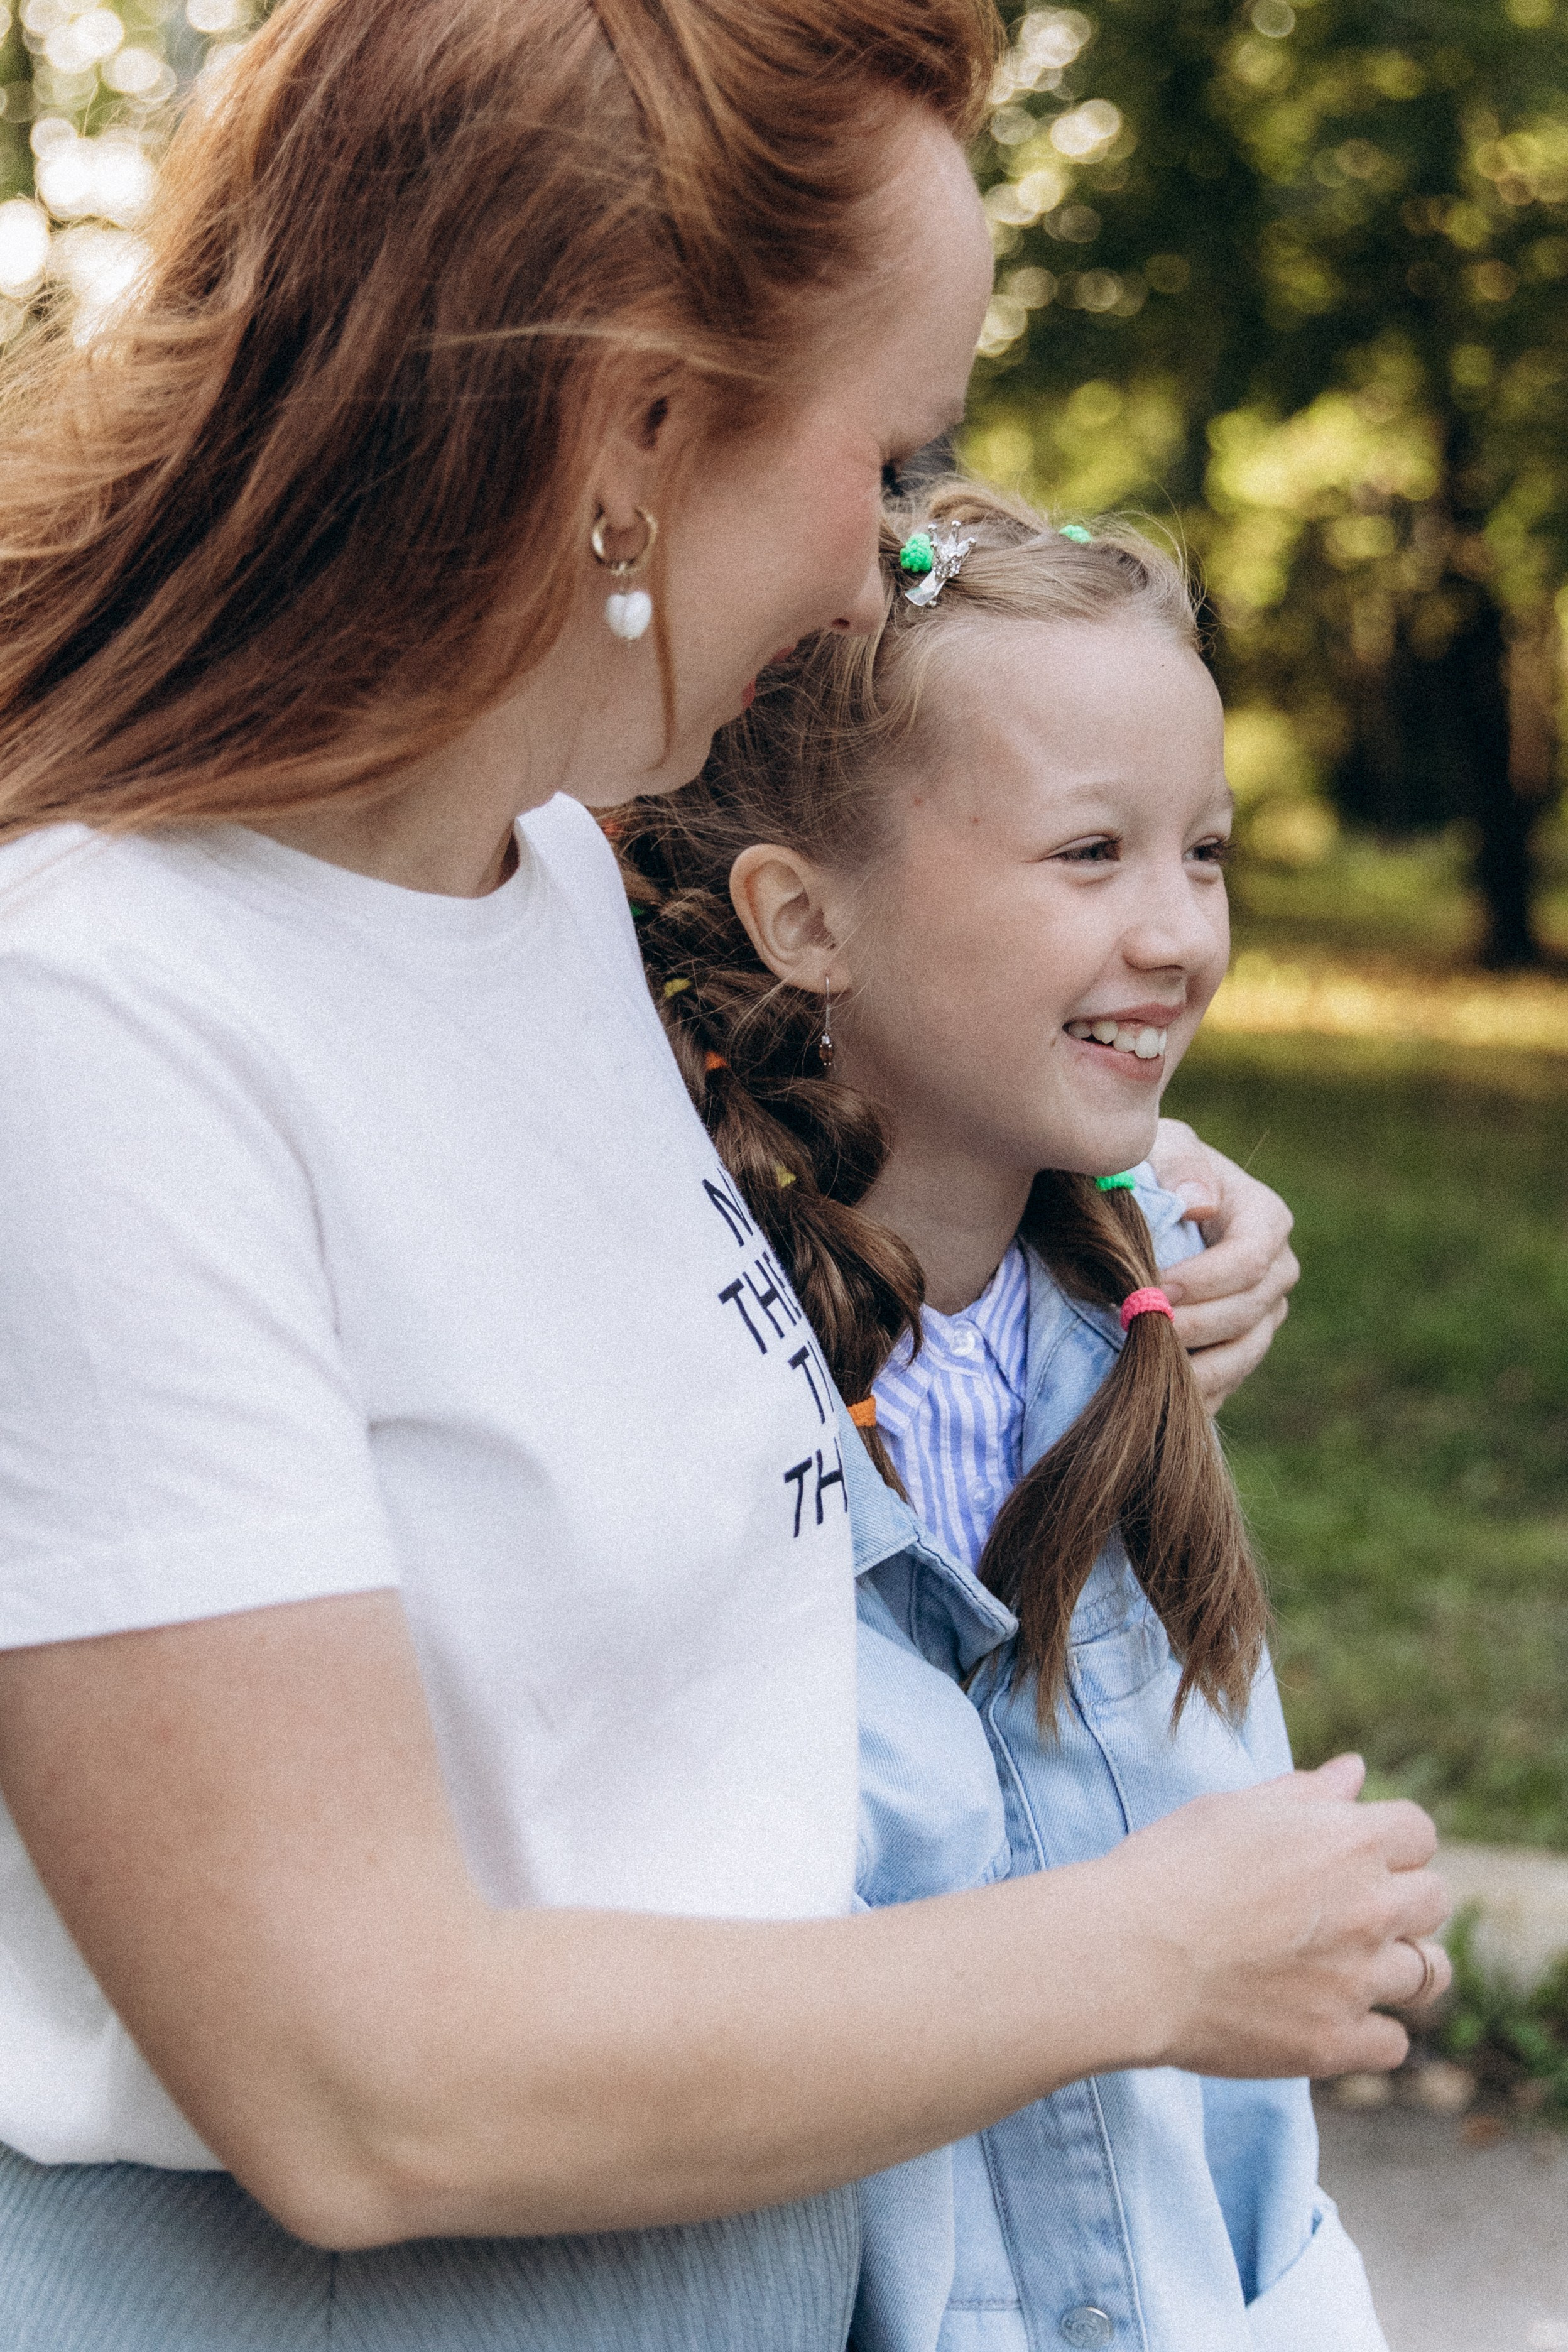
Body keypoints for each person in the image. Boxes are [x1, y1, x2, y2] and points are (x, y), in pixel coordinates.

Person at [0, 3, 1445, 2346]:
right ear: (637, 434)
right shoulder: (98, 1025)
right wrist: (1144, 1954)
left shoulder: (554, 893)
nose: (887, 578)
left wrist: (1140, 1186)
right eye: (891, 461)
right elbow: (360, 2088)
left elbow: (818, 1130)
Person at [611, 482, 1402, 2351]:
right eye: (1090, 854)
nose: (1181, 934)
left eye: (1205, 852)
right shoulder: (687, 1387)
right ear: (807, 919)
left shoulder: (1141, 1314)